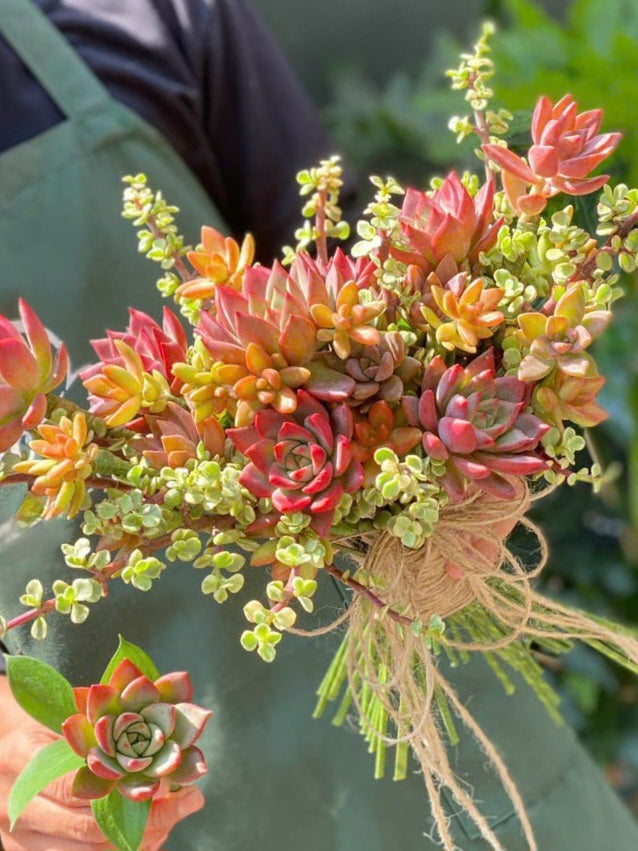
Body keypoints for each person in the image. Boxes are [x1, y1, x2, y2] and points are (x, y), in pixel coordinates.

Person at [1, 2, 638, 850]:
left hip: (430, 697)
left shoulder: (142, 20)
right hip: (118, 802)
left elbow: (364, 281)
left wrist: (475, 450)